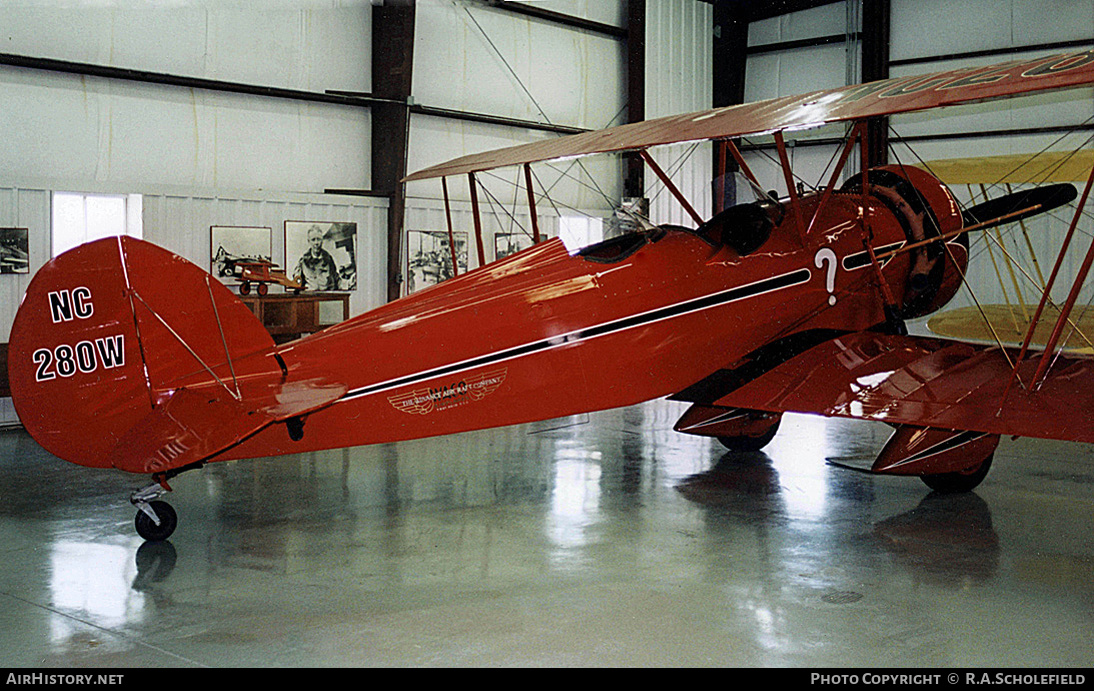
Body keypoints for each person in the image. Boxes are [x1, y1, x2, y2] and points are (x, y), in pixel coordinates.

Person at [293, 225, 339, 291]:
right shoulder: (303, 261)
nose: (316, 243)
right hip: (309, 298)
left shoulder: (328, 259)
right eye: (313, 240)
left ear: (322, 241)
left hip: (325, 297)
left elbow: (335, 282)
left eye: (318, 239)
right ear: (309, 241)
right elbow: (297, 283)